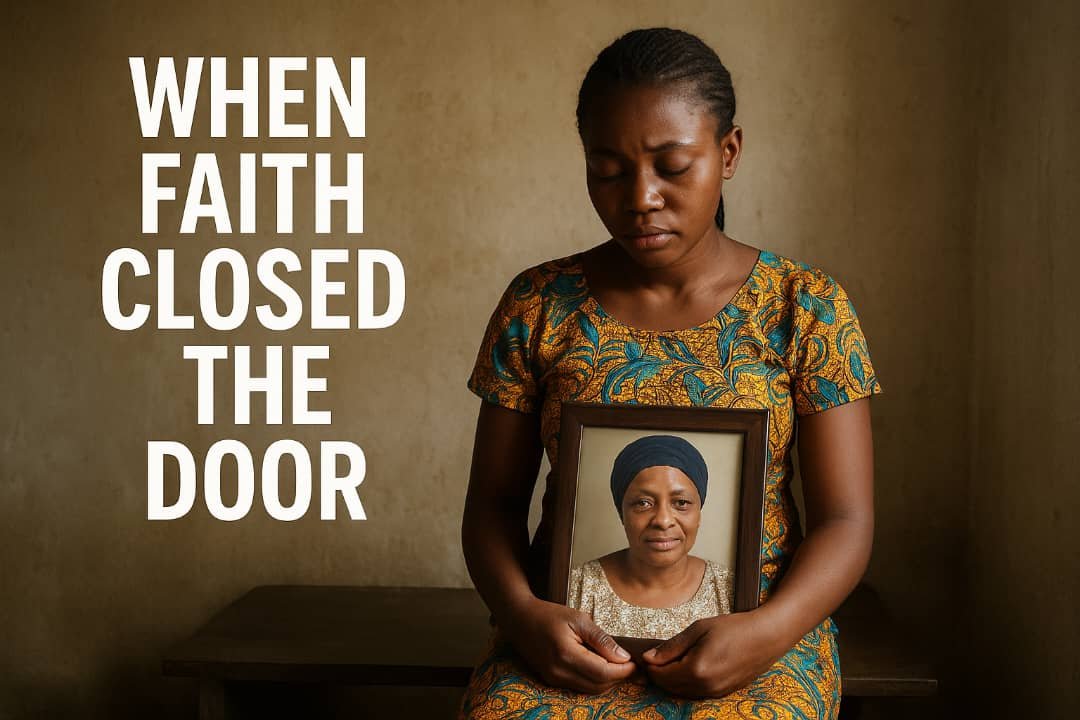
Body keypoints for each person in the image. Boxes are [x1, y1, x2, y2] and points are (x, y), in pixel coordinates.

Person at [459, 26, 880, 719]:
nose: (640, 196)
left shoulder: (805, 307)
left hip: (757, 639)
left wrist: (764, 633)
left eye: (672, 165)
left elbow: (846, 519)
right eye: (609, 169)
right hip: (566, 639)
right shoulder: (538, 305)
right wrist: (523, 616)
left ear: (729, 152)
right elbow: (494, 506)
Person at [568, 434, 734, 642]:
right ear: (622, 513)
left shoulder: (728, 589)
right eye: (643, 503)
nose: (663, 521)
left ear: (699, 512)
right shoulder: (579, 586)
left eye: (681, 503)